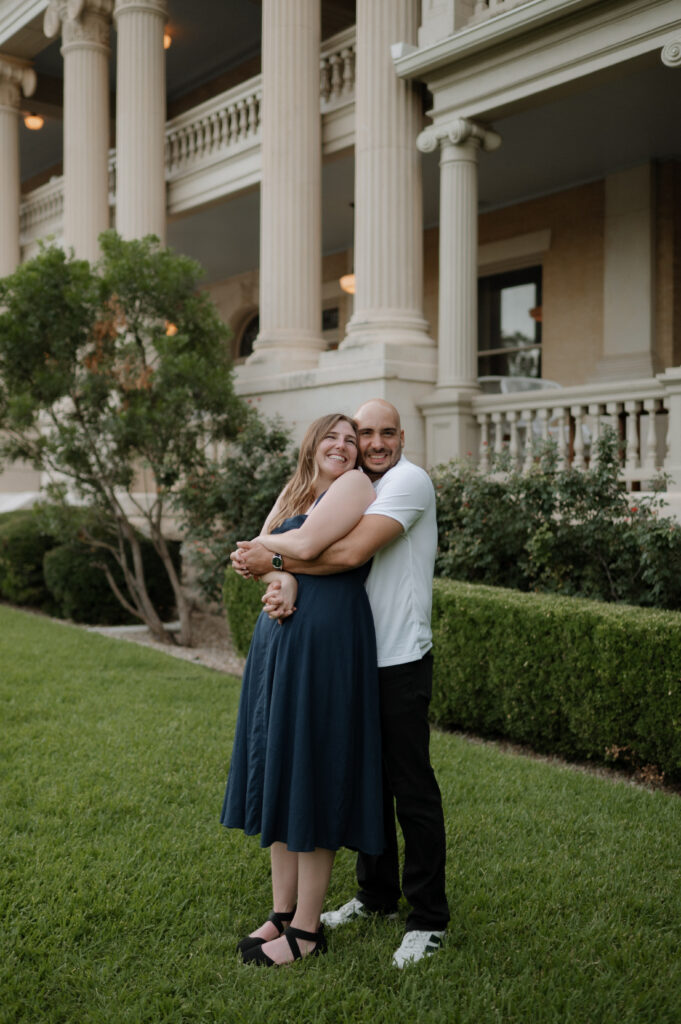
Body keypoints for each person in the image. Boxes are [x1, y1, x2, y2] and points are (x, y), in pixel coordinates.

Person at [232, 399, 450, 969]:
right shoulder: (328, 486)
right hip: (355, 649)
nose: (368, 443)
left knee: (409, 785)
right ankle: (373, 897)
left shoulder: (405, 481)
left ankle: (427, 917)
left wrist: (274, 565)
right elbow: (284, 550)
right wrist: (278, 578)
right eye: (359, 433)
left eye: (380, 434)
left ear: (401, 437)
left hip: (397, 653)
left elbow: (346, 553)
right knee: (360, 778)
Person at [221, 412, 383, 967]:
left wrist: (283, 565)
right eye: (331, 437)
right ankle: (283, 913)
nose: (341, 446)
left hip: (327, 639)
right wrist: (280, 577)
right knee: (284, 766)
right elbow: (252, 555)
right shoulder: (295, 490)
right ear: (312, 445)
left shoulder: (353, 486)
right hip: (279, 640)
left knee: (313, 765)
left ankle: (309, 930)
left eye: (350, 439)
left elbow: (307, 544)